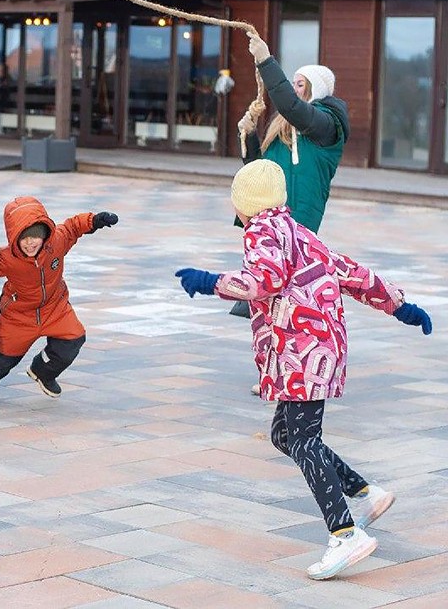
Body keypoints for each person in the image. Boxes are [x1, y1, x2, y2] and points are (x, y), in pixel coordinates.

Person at [175, 159, 432, 581]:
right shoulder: (299, 232)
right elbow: (352, 272)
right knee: (285, 436)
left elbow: (264, 280)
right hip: (319, 349)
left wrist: (210, 282)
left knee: (305, 440)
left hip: (300, 352)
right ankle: (364, 493)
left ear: (245, 205)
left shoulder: (261, 231)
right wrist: (400, 306)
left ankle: (345, 533)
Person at [237, 32, 350, 394]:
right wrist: (250, 137)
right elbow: (260, 175)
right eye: (293, 82)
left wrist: (266, 61)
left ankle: (298, 370)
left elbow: (293, 107)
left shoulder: (327, 125)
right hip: (269, 224)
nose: (294, 89)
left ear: (315, 89)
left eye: (300, 84)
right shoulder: (283, 131)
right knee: (266, 302)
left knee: (289, 301)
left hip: (298, 224)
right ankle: (272, 372)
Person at [0, 197, 118, 403]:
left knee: (73, 339)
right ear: (13, 237)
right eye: (23, 238)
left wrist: (93, 220)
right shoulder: (7, 258)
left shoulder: (56, 243)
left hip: (55, 308)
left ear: (45, 233)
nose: (30, 243)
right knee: (0, 359)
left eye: (35, 236)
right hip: (19, 316)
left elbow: (72, 227)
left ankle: (43, 371)